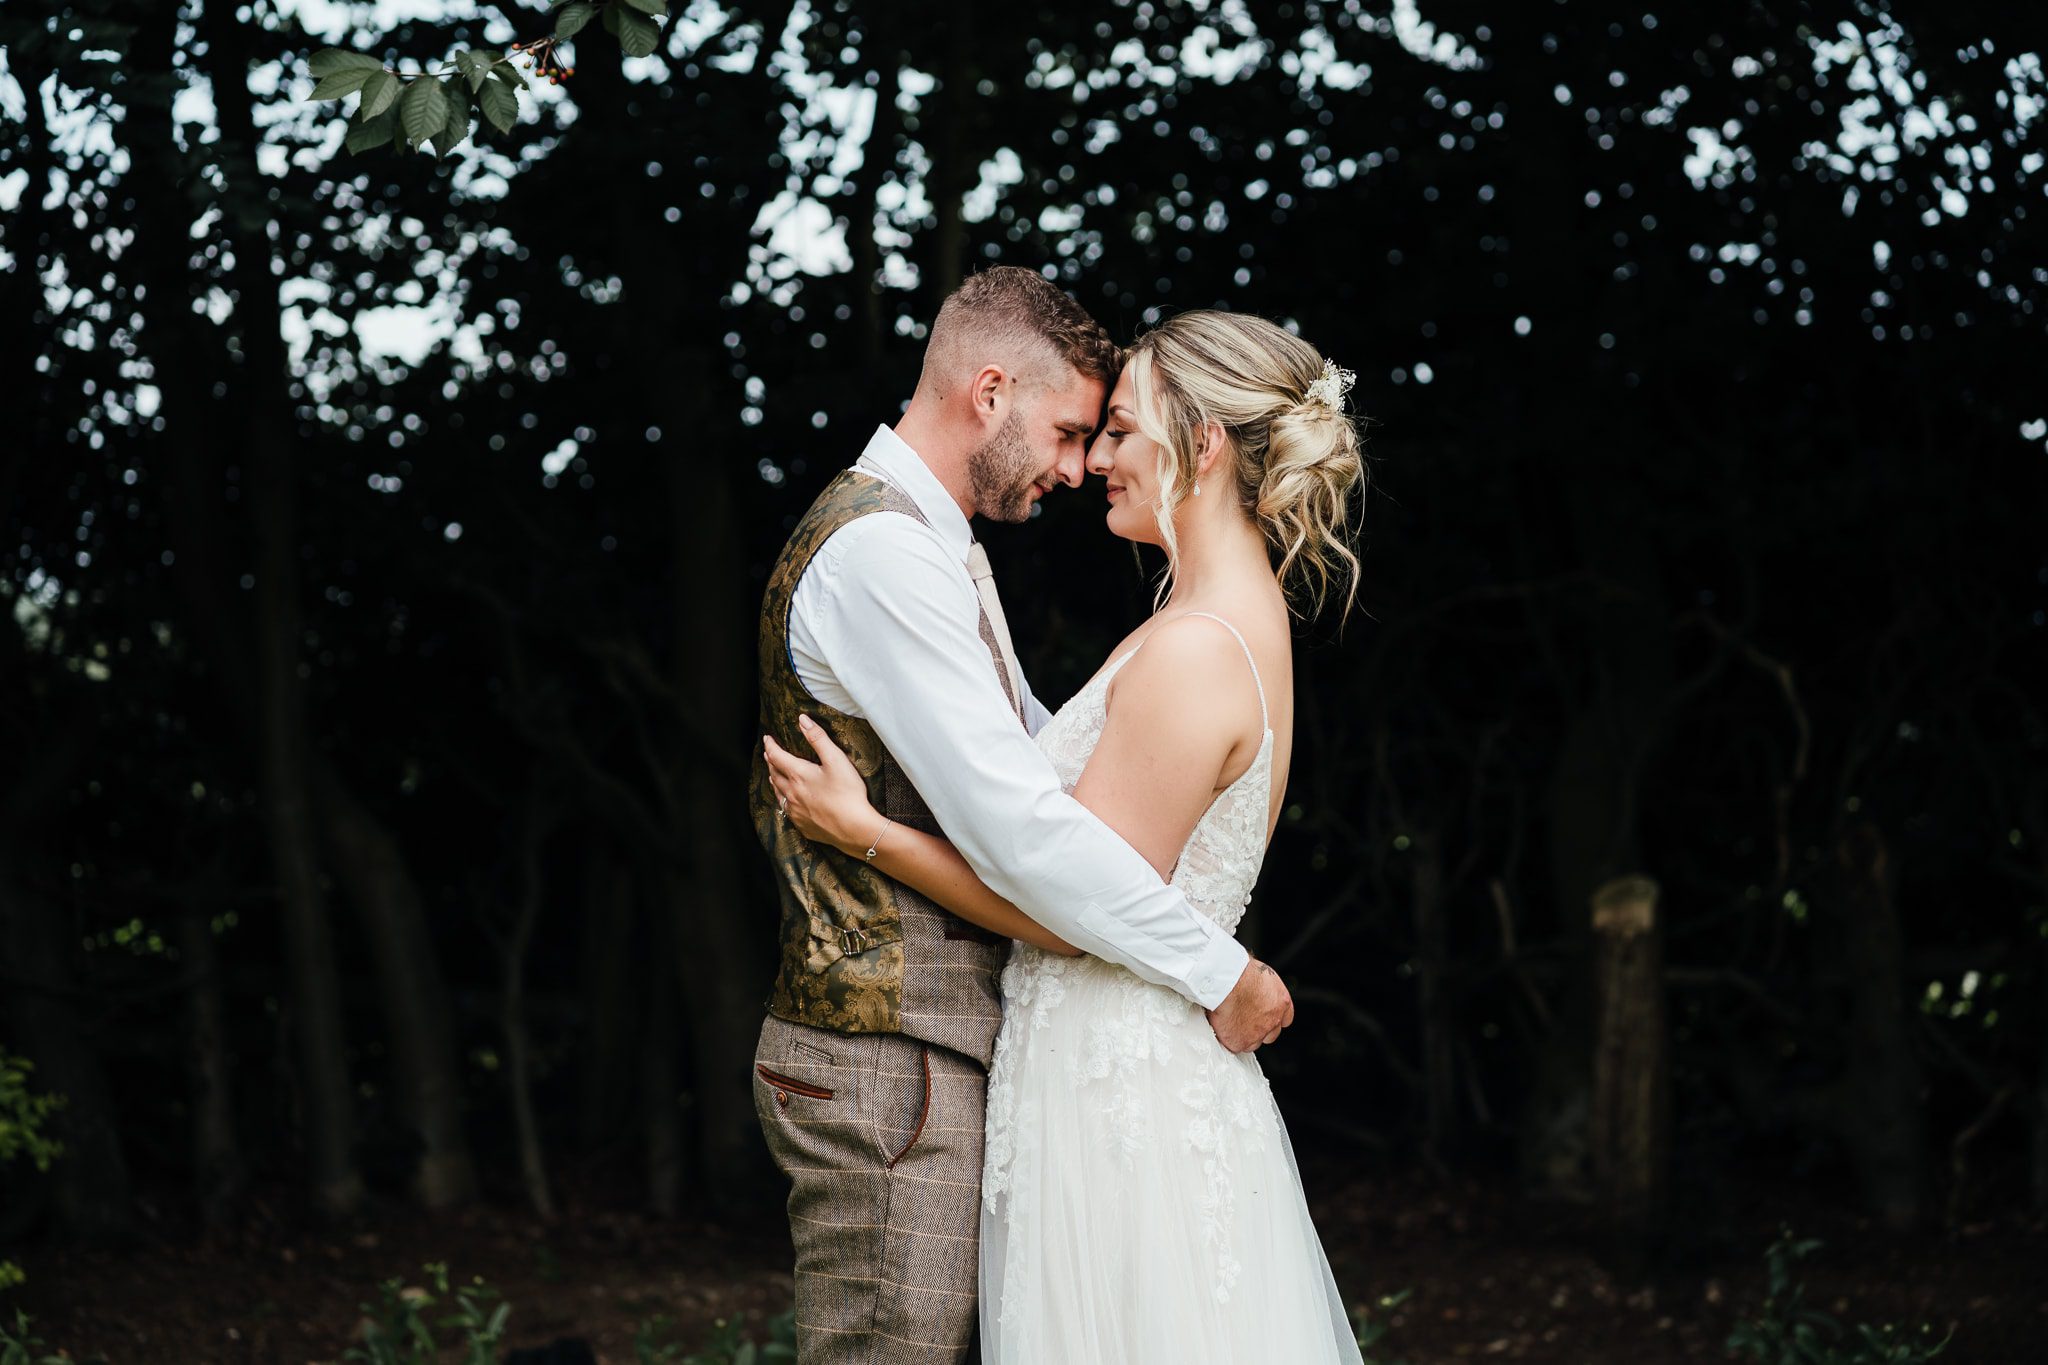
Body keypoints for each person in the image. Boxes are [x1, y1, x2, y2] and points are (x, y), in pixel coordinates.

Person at [765, 308, 1368, 1363]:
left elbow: (1059, 879)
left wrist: (867, 834)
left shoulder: (1189, 647)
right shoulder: (1212, 621)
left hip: (1112, 1069)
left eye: (1120, 432)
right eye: (1083, 433)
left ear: (1205, 444)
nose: (1094, 464)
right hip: (1095, 1059)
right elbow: (1037, 806)